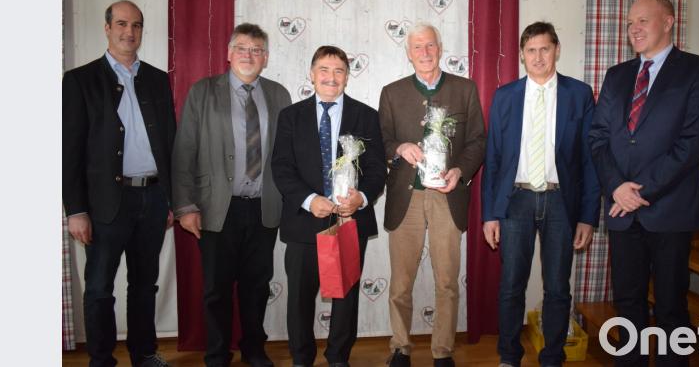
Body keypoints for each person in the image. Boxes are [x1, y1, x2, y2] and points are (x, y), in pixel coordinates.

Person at [589, 0, 699, 366]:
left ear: (669, 21)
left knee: (670, 308)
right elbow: (598, 138)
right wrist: (616, 186)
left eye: (644, 21)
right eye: (631, 22)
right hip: (620, 209)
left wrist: (637, 191)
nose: (634, 28)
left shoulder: (697, 70)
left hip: (670, 209)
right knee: (627, 303)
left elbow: (693, 143)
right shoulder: (617, 76)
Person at [63, 0, 175, 367]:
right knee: (98, 289)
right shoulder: (81, 80)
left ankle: (144, 354)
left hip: (154, 198)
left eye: (137, 25)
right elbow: (70, 151)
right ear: (107, 27)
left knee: (145, 286)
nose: (130, 32)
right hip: (106, 202)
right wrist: (76, 210)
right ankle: (101, 360)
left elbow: (171, 142)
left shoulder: (158, 79)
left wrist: (173, 199)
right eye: (123, 24)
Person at [481, 21, 600, 367]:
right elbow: (493, 159)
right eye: (530, 50)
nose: (538, 56)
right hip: (515, 201)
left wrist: (587, 216)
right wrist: (490, 213)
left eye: (544, 49)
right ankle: (509, 356)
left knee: (558, 288)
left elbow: (589, 161)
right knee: (511, 286)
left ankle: (552, 358)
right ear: (522, 55)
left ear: (557, 50)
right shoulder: (505, 97)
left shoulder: (579, 95)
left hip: (562, 202)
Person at [172, 23, 291, 367]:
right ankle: (217, 353)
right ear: (228, 54)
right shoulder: (203, 92)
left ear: (265, 58)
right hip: (214, 208)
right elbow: (184, 152)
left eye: (256, 50)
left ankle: (254, 349)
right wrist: (185, 205)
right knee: (217, 289)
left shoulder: (279, 95)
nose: (249, 55)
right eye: (242, 48)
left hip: (264, 209)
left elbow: (288, 155)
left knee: (257, 286)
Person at [271, 45, 387, 367]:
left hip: (350, 221)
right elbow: (281, 167)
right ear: (312, 74)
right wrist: (310, 201)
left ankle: (338, 358)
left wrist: (361, 198)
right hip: (303, 220)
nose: (331, 77)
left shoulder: (366, 116)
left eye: (338, 71)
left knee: (345, 298)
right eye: (324, 69)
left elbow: (377, 169)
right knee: (299, 301)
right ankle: (301, 359)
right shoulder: (290, 117)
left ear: (347, 77)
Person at [378, 23, 486, 367]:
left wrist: (461, 171)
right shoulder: (391, 93)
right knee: (401, 283)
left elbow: (478, 142)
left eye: (430, 45)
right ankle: (400, 347)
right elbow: (381, 143)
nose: (425, 52)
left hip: (446, 196)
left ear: (440, 49)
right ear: (408, 53)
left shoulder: (464, 89)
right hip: (405, 198)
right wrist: (399, 147)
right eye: (417, 47)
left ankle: (443, 351)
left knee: (447, 280)